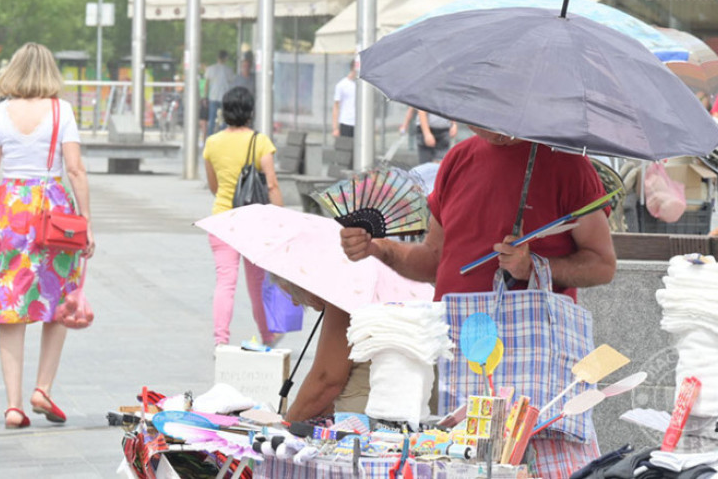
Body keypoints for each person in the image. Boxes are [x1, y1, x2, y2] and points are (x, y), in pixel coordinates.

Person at [340, 125, 616, 476]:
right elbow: (435, 260)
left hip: (531, 360)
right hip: (454, 351)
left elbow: (603, 264)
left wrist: (532, 266)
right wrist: (380, 249)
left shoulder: (569, 165)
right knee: (454, 463)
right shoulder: (458, 159)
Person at [0, 43, 95, 429]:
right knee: (58, 298)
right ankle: (42, 389)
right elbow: (75, 169)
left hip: (10, 210)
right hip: (55, 212)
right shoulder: (61, 110)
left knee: (10, 302)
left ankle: (13, 406)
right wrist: (87, 221)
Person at [203, 86, 283, 348]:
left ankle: (220, 341)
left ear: (224, 111)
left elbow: (214, 186)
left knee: (225, 283)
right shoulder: (260, 141)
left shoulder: (212, 143)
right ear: (250, 112)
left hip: (221, 220)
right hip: (253, 223)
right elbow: (271, 185)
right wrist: (280, 220)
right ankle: (267, 336)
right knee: (257, 284)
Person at [274, 278, 369, 422]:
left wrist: (287, 425)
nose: (295, 302)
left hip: (361, 418)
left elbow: (326, 381)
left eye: (293, 293)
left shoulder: (345, 293)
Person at [203, 50, 235, 136]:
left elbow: (206, 84)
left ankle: (210, 138)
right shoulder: (229, 70)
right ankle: (223, 138)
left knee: (211, 120)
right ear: (226, 58)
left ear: (217, 57)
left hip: (213, 97)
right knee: (224, 121)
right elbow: (232, 83)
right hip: (225, 97)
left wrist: (205, 97)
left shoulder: (210, 69)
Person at [331, 60, 356, 138]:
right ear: (353, 68)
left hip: (360, 123)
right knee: (346, 144)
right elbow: (336, 106)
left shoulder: (363, 85)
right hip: (346, 123)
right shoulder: (342, 85)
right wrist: (335, 128)